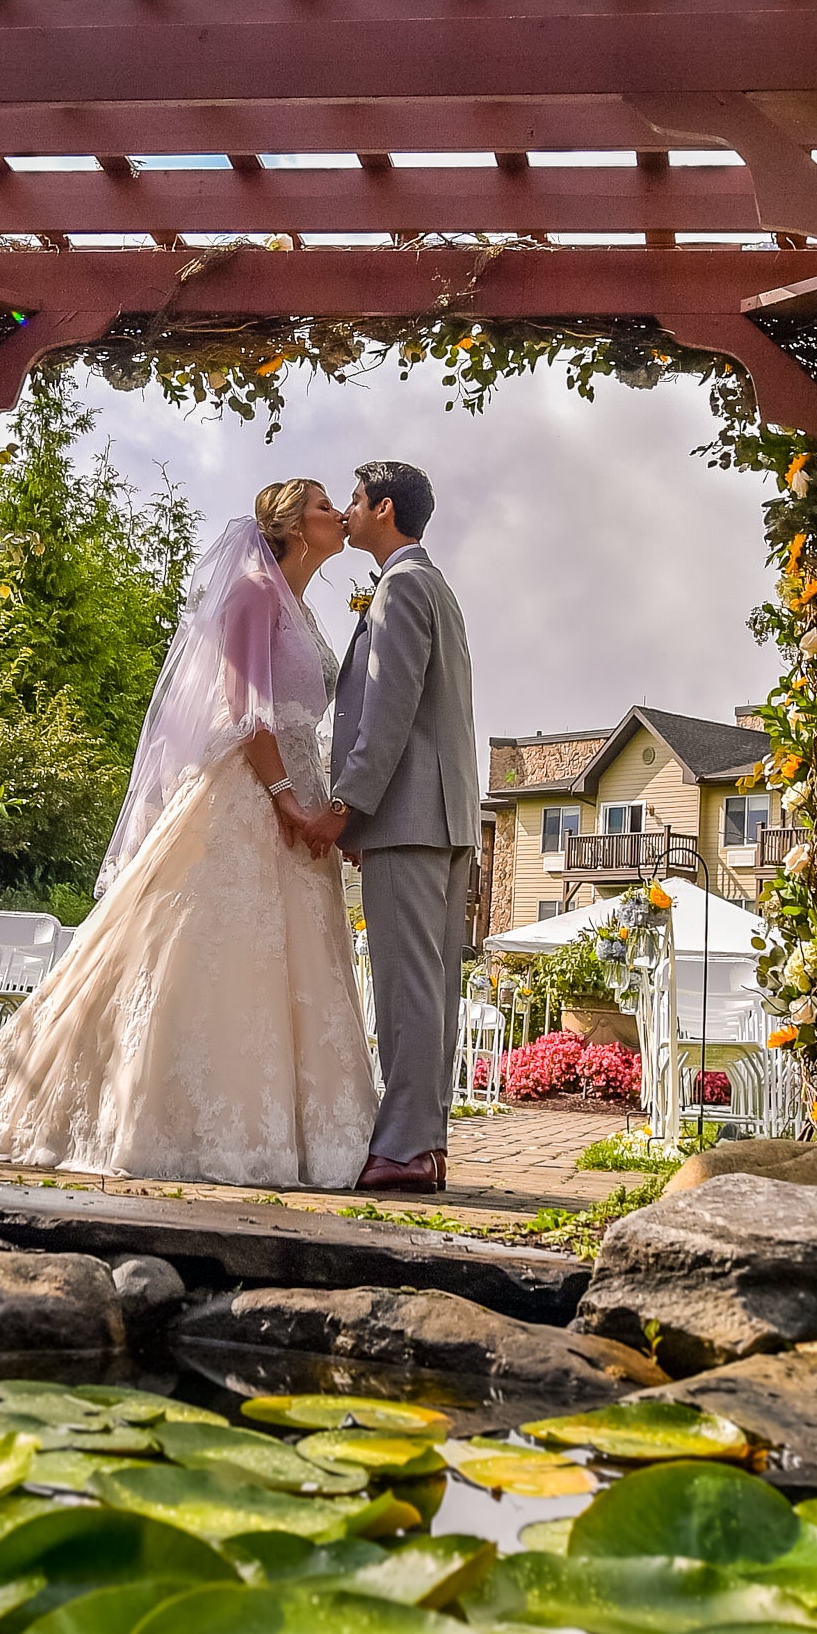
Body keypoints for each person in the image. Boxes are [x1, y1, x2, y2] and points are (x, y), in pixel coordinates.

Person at [0, 478, 379, 1189]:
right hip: (250, 795)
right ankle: (168, 1119)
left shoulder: (301, 605)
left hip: (300, 793)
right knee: (206, 948)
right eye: (322, 505)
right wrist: (286, 802)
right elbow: (245, 712)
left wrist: (323, 806)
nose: (337, 513)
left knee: (291, 962)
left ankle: (296, 1130)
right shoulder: (251, 589)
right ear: (287, 522)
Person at [287, 460, 478, 1198]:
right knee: (430, 990)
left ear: (385, 508)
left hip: (406, 815)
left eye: (356, 500)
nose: (347, 512)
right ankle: (422, 1145)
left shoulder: (401, 586)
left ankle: (403, 1149)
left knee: (408, 992)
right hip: (441, 812)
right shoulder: (431, 584)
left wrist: (346, 807)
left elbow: (388, 708)